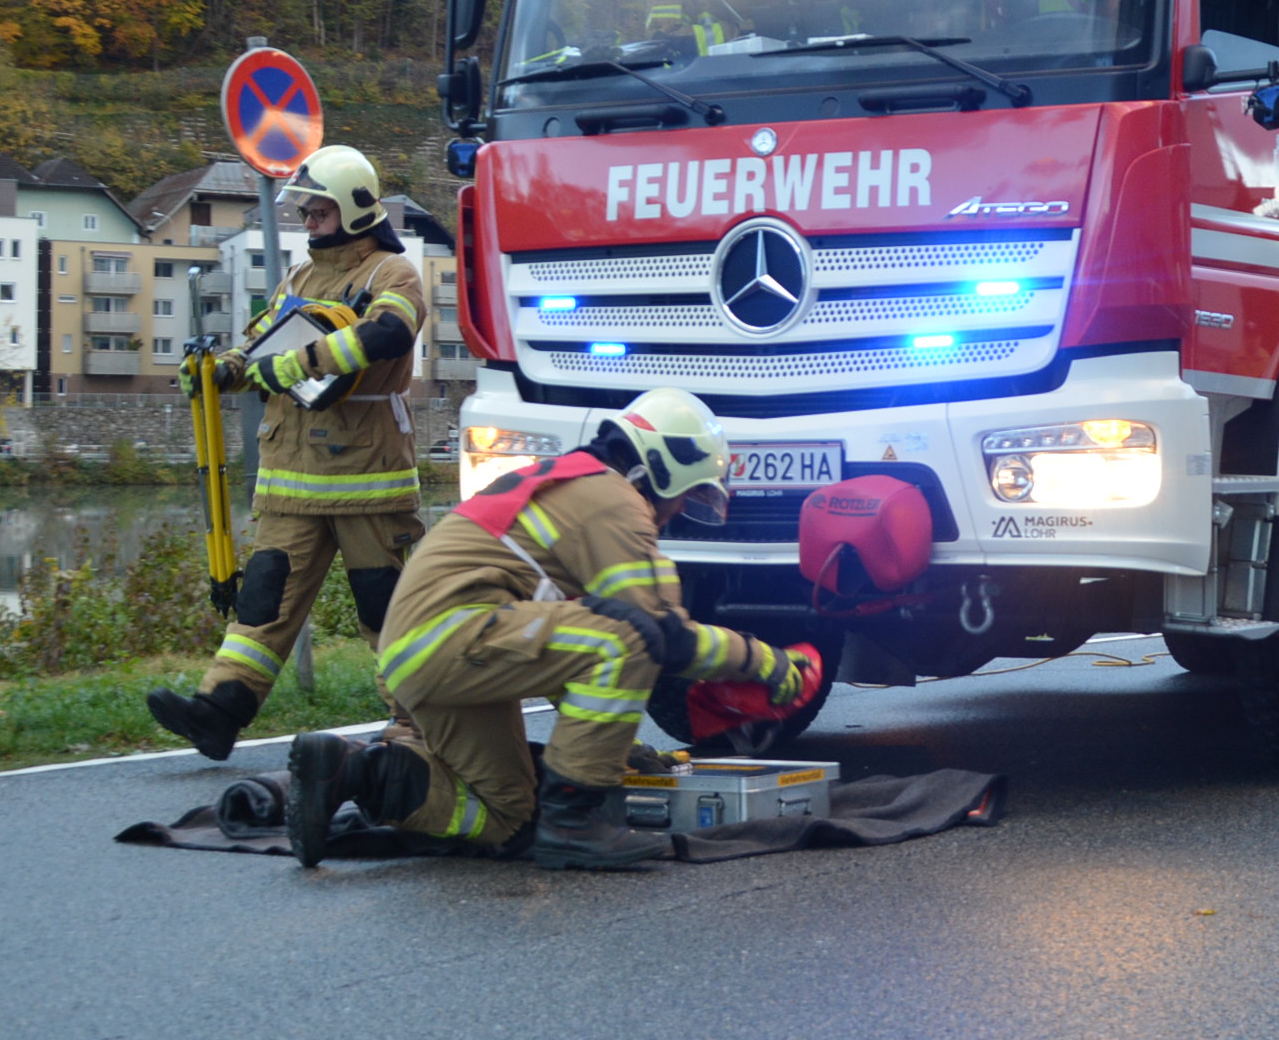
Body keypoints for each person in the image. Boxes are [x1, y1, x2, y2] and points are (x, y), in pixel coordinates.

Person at [289, 387, 820, 870]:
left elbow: (559, 653)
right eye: (687, 494)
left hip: (430, 653)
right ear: (662, 466)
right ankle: (573, 822)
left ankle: (356, 773)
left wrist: (617, 751)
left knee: (509, 821)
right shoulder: (613, 501)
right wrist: (767, 663)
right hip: (455, 639)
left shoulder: (571, 484)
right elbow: (663, 636)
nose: (679, 511)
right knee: (630, 637)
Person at [147, 146, 428, 762]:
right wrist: (224, 370)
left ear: (354, 209)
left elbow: (389, 332)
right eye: (303, 210)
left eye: (318, 209)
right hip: (291, 480)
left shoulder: (392, 274)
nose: (307, 220)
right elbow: (261, 351)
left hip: (366, 480)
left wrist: (302, 363)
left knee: (386, 609)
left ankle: (419, 724)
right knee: (262, 603)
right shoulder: (297, 279)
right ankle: (219, 711)